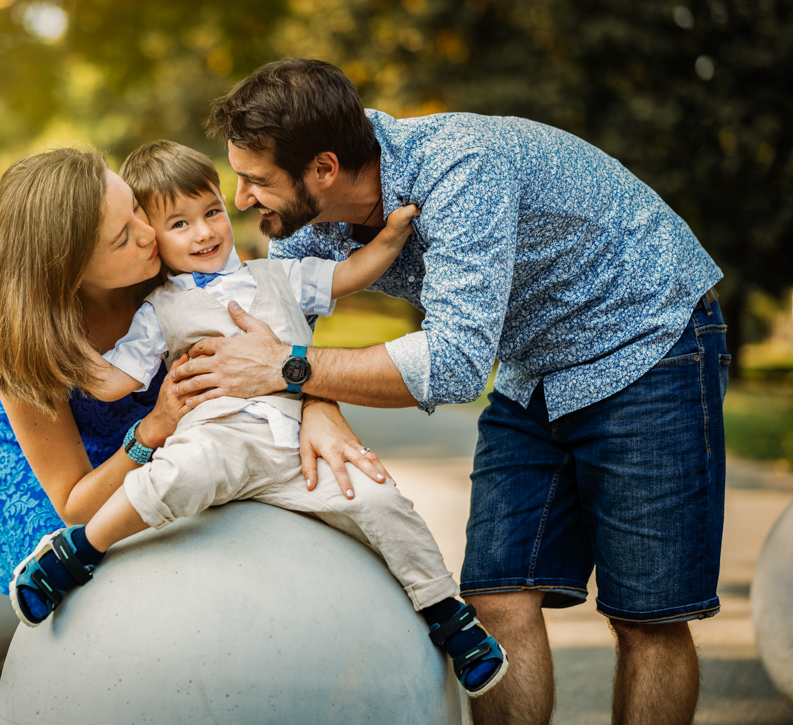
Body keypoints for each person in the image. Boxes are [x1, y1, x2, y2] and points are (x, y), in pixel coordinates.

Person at [172, 58, 728, 724]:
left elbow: (453, 364)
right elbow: (289, 335)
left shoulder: (462, 167)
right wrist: (317, 404)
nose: (240, 200)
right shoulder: (303, 225)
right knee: (495, 597)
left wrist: (295, 371)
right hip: (536, 367)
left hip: (647, 333)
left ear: (323, 168)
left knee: (646, 615)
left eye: (256, 180)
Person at [4, 140, 508, 697]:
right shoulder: (159, 309)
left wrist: (321, 400)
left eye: (211, 212)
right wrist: (66, 363)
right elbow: (108, 385)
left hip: (288, 443)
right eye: (133, 232)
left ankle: (447, 613)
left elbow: (341, 285)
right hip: (196, 442)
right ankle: (76, 553)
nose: (168, 234)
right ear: (72, 265)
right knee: (182, 472)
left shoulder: (274, 273)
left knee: (377, 496)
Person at [0, 145, 404, 673]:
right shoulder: (25, 347)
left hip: (190, 433)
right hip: (74, 475)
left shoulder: (171, 255)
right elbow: (75, 506)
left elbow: (272, 317)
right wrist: (155, 428)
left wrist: (317, 403)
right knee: (105, 619)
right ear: (70, 270)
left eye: (136, 211)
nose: (148, 234)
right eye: (123, 236)